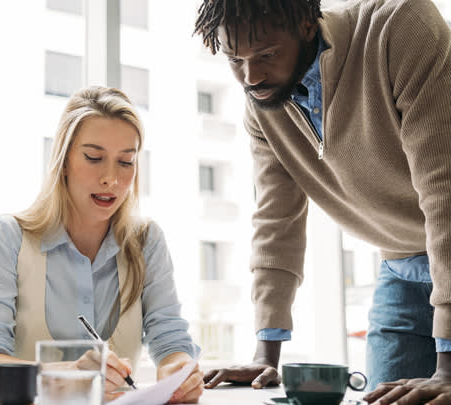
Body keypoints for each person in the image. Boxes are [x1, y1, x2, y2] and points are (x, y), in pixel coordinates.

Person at [193, 0, 451, 403]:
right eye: (234, 59)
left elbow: (445, 191)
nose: (251, 77)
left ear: (306, 25)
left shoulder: (401, 27)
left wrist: (448, 368)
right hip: (401, 267)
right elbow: (275, 220)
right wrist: (266, 355)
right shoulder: (263, 105)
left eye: (267, 55)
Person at [0, 86, 204, 403]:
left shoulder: (147, 241)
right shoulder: (8, 237)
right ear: (63, 159)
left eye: (126, 162)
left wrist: (178, 369)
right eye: (93, 158)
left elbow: (169, 336)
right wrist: (62, 376)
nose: (111, 179)